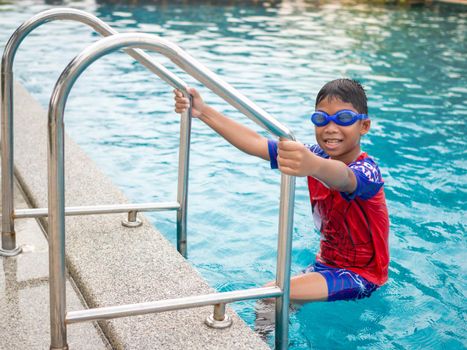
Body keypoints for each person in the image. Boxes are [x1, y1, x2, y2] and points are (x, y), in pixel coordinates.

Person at [173, 79, 389, 302]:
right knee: (282, 302)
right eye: (321, 119)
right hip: (325, 264)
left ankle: (257, 339)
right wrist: (203, 111)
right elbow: (256, 143)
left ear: (364, 126)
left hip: (362, 275)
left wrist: (314, 165)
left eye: (344, 118)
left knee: (272, 294)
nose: (331, 128)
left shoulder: (368, 171)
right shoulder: (315, 155)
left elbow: (344, 178)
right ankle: (274, 338)